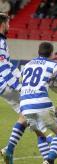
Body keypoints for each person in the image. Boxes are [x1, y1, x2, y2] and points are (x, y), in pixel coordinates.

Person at [0, 13, 26, 164]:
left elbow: (7, 64)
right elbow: (3, 68)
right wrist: (19, 86)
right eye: (8, 23)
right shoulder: (1, 43)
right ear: (3, 24)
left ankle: (8, 149)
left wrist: (20, 74)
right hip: (5, 84)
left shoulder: (3, 41)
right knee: (31, 110)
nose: (10, 26)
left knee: (27, 114)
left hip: (2, 85)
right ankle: (52, 145)